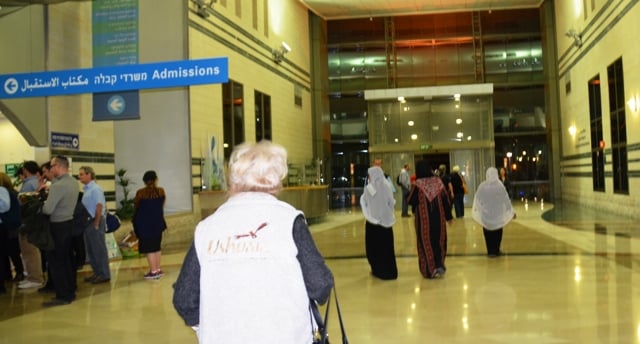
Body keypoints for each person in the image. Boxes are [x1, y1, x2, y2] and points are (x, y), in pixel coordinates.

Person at [173, 141, 334, 343]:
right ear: (276, 180)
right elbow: (320, 286)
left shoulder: (207, 228)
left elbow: (184, 298)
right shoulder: (289, 221)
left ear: (232, 180)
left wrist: (207, 325)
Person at [41, 155, 79, 307]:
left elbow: (48, 209)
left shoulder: (58, 185)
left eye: (51, 166)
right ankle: (70, 290)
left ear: (58, 166)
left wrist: (42, 206)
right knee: (66, 260)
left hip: (57, 225)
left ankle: (63, 295)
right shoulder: (73, 182)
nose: (50, 169)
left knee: (56, 261)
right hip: (68, 223)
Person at [407, 160, 453, 279]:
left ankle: (429, 269)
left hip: (424, 222)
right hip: (439, 219)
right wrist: (449, 217)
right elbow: (445, 200)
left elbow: (410, 200)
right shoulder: (438, 182)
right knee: (439, 241)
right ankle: (439, 265)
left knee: (426, 243)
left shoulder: (417, 185)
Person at [361, 166, 397, 280]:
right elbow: (391, 202)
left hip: (373, 223)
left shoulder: (369, 188)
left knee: (374, 249)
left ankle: (377, 270)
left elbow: (365, 202)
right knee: (387, 249)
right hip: (386, 223)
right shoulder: (387, 186)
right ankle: (390, 271)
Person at [472, 167, 516, 258]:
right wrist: (511, 211)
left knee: (488, 233)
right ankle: (496, 249)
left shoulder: (482, 186)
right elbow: (506, 200)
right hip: (498, 215)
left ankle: (490, 250)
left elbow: (478, 199)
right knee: (497, 231)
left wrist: (479, 209)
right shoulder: (500, 186)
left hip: (486, 215)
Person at [78, 166, 111, 284]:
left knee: (98, 249)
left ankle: (104, 274)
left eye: (81, 174)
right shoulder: (87, 190)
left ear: (89, 175)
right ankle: (97, 272)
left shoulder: (96, 189)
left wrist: (96, 222)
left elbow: (99, 206)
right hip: (88, 222)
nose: (79, 176)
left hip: (95, 221)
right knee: (91, 250)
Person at [133, 170, 167, 280]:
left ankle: (153, 272)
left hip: (144, 225)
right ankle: (157, 269)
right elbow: (161, 205)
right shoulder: (160, 192)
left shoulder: (140, 193)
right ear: (156, 179)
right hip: (158, 223)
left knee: (149, 248)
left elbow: (136, 206)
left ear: (144, 181)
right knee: (156, 247)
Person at [16, 161, 45, 289]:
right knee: (30, 250)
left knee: (29, 250)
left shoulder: (28, 184)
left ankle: (34, 277)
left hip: (28, 221)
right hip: (34, 220)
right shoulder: (36, 182)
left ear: (26, 170)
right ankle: (33, 276)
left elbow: (24, 204)